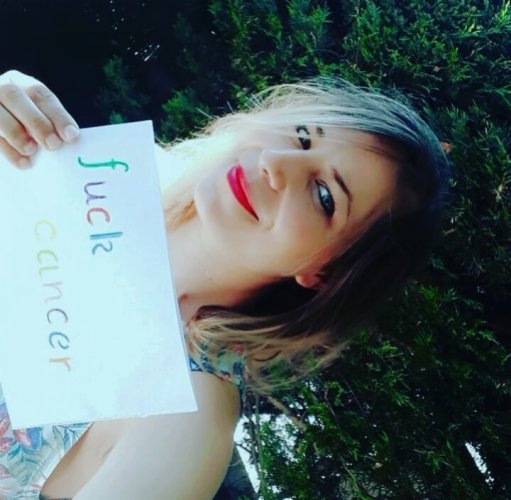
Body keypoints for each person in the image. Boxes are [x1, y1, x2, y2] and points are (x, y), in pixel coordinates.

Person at [0, 69, 450, 499]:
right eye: (302, 136)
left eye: (324, 196)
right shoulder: (94, 169)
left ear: (324, 274)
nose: (275, 164)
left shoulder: (184, 417)